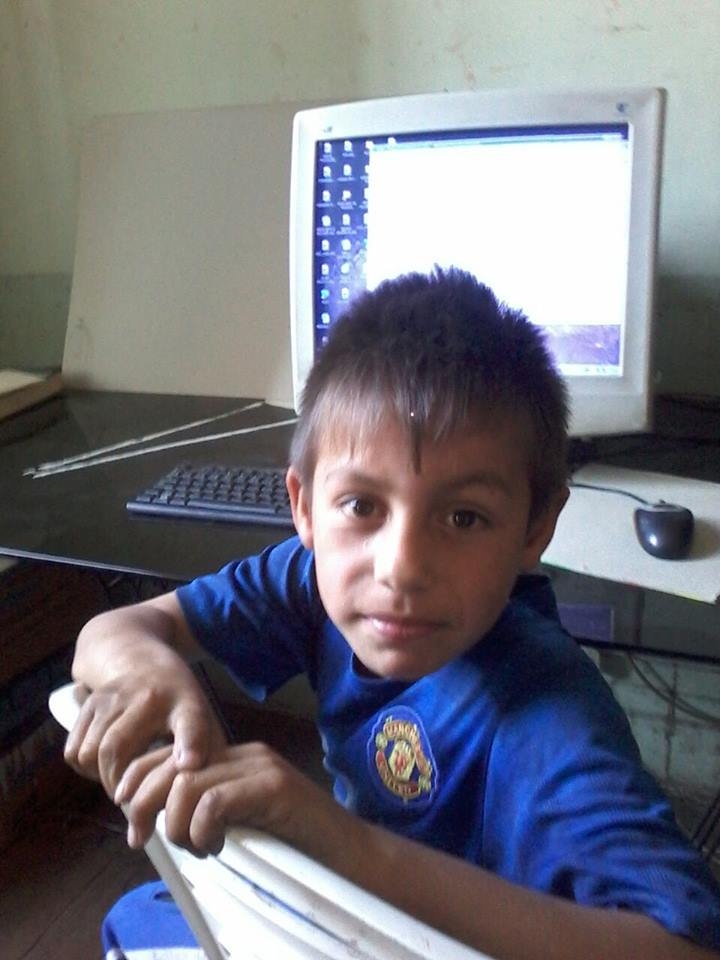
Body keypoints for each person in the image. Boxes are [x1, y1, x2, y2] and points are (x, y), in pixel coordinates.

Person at [65, 267, 720, 959]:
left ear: (535, 528)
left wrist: (346, 846)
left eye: (464, 518)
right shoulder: (311, 579)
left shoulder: (542, 714)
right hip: (341, 917)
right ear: (305, 507)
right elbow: (113, 632)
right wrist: (152, 675)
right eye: (362, 506)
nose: (401, 567)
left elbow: (686, 947)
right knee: (134, 921)